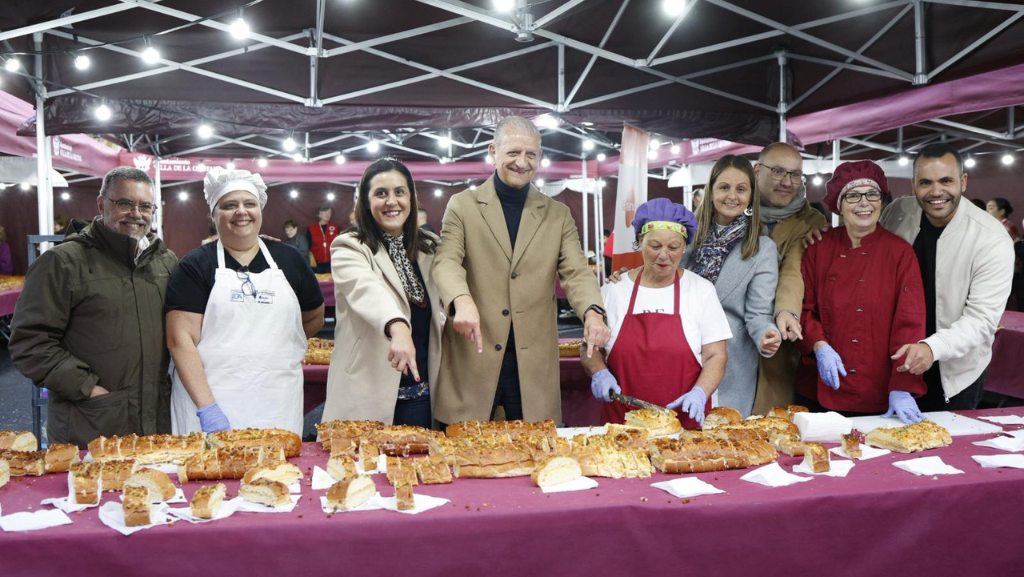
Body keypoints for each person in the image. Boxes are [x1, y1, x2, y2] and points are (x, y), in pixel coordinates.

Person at [432, 115, 609, 424]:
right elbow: (446, 261)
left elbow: (577, 272)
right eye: (513, 152)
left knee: (534, 457)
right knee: (459, 457)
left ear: (539, 158)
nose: (521, 162)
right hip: (474, 355)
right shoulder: (462, 205)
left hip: (532, 365)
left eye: (530, 154)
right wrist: (461, 300)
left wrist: (593, 312)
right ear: (493, 152)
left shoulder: (558, 214)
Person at [9, 167, 178, 448]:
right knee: (89, 493)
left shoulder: (165, 262)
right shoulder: (63, 263)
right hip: (91, 424)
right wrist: (88, 388)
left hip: (157, 425)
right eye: (124, 203)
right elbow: (29, 342)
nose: (136, 213)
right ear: (101, 204)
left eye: (145, 206)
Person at [166, 168, 325, 435]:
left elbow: (314, 317)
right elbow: (180, 340)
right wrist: (208, 409)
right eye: (229, 205)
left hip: (276, 401)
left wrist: (275, 344)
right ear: (214, 215)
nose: (241, 211)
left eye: (249, 203)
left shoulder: (289, 260)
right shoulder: (195, 265)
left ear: (260, 210)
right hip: (211, 401)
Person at [877, 143, 1014, 410]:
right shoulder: (897, 213)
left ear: (963, 182)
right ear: (913, 183)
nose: (936, 192)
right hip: (895, 362)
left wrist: (932, 348)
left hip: (955, 374)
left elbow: (982, 320)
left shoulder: (991, 238)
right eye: (926, 182)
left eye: (946, 181)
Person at [797, 161, 926, 423]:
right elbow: (803, 308)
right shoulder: (818, 248)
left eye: (872, 194)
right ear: (839, 205)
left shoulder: (900, 253)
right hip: (821, 387)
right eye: (853, 195)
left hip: (879, 388)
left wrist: (902, 385)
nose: (864, 203)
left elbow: (909, 324)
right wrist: (819, 346)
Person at [583, 199, 730, 428]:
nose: (664, 255)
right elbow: (589, 349)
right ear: (640, 242)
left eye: (673, 248)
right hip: (622, 426)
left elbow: (716, 355)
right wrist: (599, 372)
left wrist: (700, 392)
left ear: (684, 247)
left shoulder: (701, 290)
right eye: (654, 246)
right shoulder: (613, 291)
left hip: (683, 424)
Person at [324, 159, 443, 427]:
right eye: (381, 193)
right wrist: (398, 326)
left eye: (399, 192)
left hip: (421, 394)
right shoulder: (349, 246)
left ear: (411, 198)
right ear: (366, 202)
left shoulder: (430, 247)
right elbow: (366, 289)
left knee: (420, 468)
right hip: (366, 396)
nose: (392, 201)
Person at [681, 155, 781, 418]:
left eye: (741, 188)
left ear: (751, 196)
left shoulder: (762, 249)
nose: (732, 196)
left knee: (725, 446)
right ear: (710, 190)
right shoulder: (684, 236)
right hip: (679, 354)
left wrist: (766, 335)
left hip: (731, 363)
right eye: (724, 187)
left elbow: (758, 313)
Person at [750, 142, 828, 415]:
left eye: (795, 175)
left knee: (770, 430)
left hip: (779, 342)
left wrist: (787, 311)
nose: (787, 182)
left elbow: (793, 271)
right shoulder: (735, 208)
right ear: (758, 170)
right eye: (779, 172)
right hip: (728, 340)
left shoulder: (811, 223)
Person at [307, 205, 340, 274]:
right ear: (319, 214)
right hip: (317, 263)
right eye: (325, 212)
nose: (328, 214)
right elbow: (308, 246)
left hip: (332, 262)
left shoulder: (335, 227)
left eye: (329, 212)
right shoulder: (311, 228)